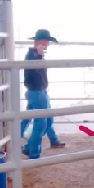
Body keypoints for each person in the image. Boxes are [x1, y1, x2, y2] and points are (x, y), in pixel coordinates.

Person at [21, 29, 66, 159]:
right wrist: (40, 55)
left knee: (35, 119)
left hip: (37, 91)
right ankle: (33, 152)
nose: (47, 44)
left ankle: (29, 147)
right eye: (47, 41)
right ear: (41, 41)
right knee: (41, 123)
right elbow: (35, 72)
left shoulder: (32, 55)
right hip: (37, 91)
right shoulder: (34, 56)